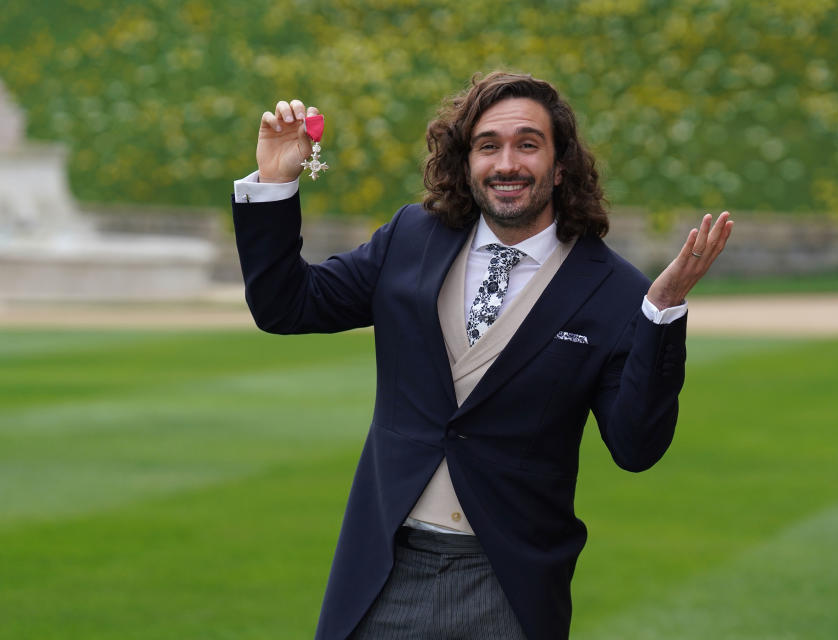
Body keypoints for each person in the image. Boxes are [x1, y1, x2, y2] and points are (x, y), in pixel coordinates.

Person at [232, 71, 732, 640]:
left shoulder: (616, 293)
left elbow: (636, 447)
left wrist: (661, 315)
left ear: (560, 164)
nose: (506, 164)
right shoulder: (409, 238)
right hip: (385, 571)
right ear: (465, 162)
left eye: (527, 144)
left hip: (508, 586)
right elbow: (286, 307)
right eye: (487, 146)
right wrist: (274, 184)